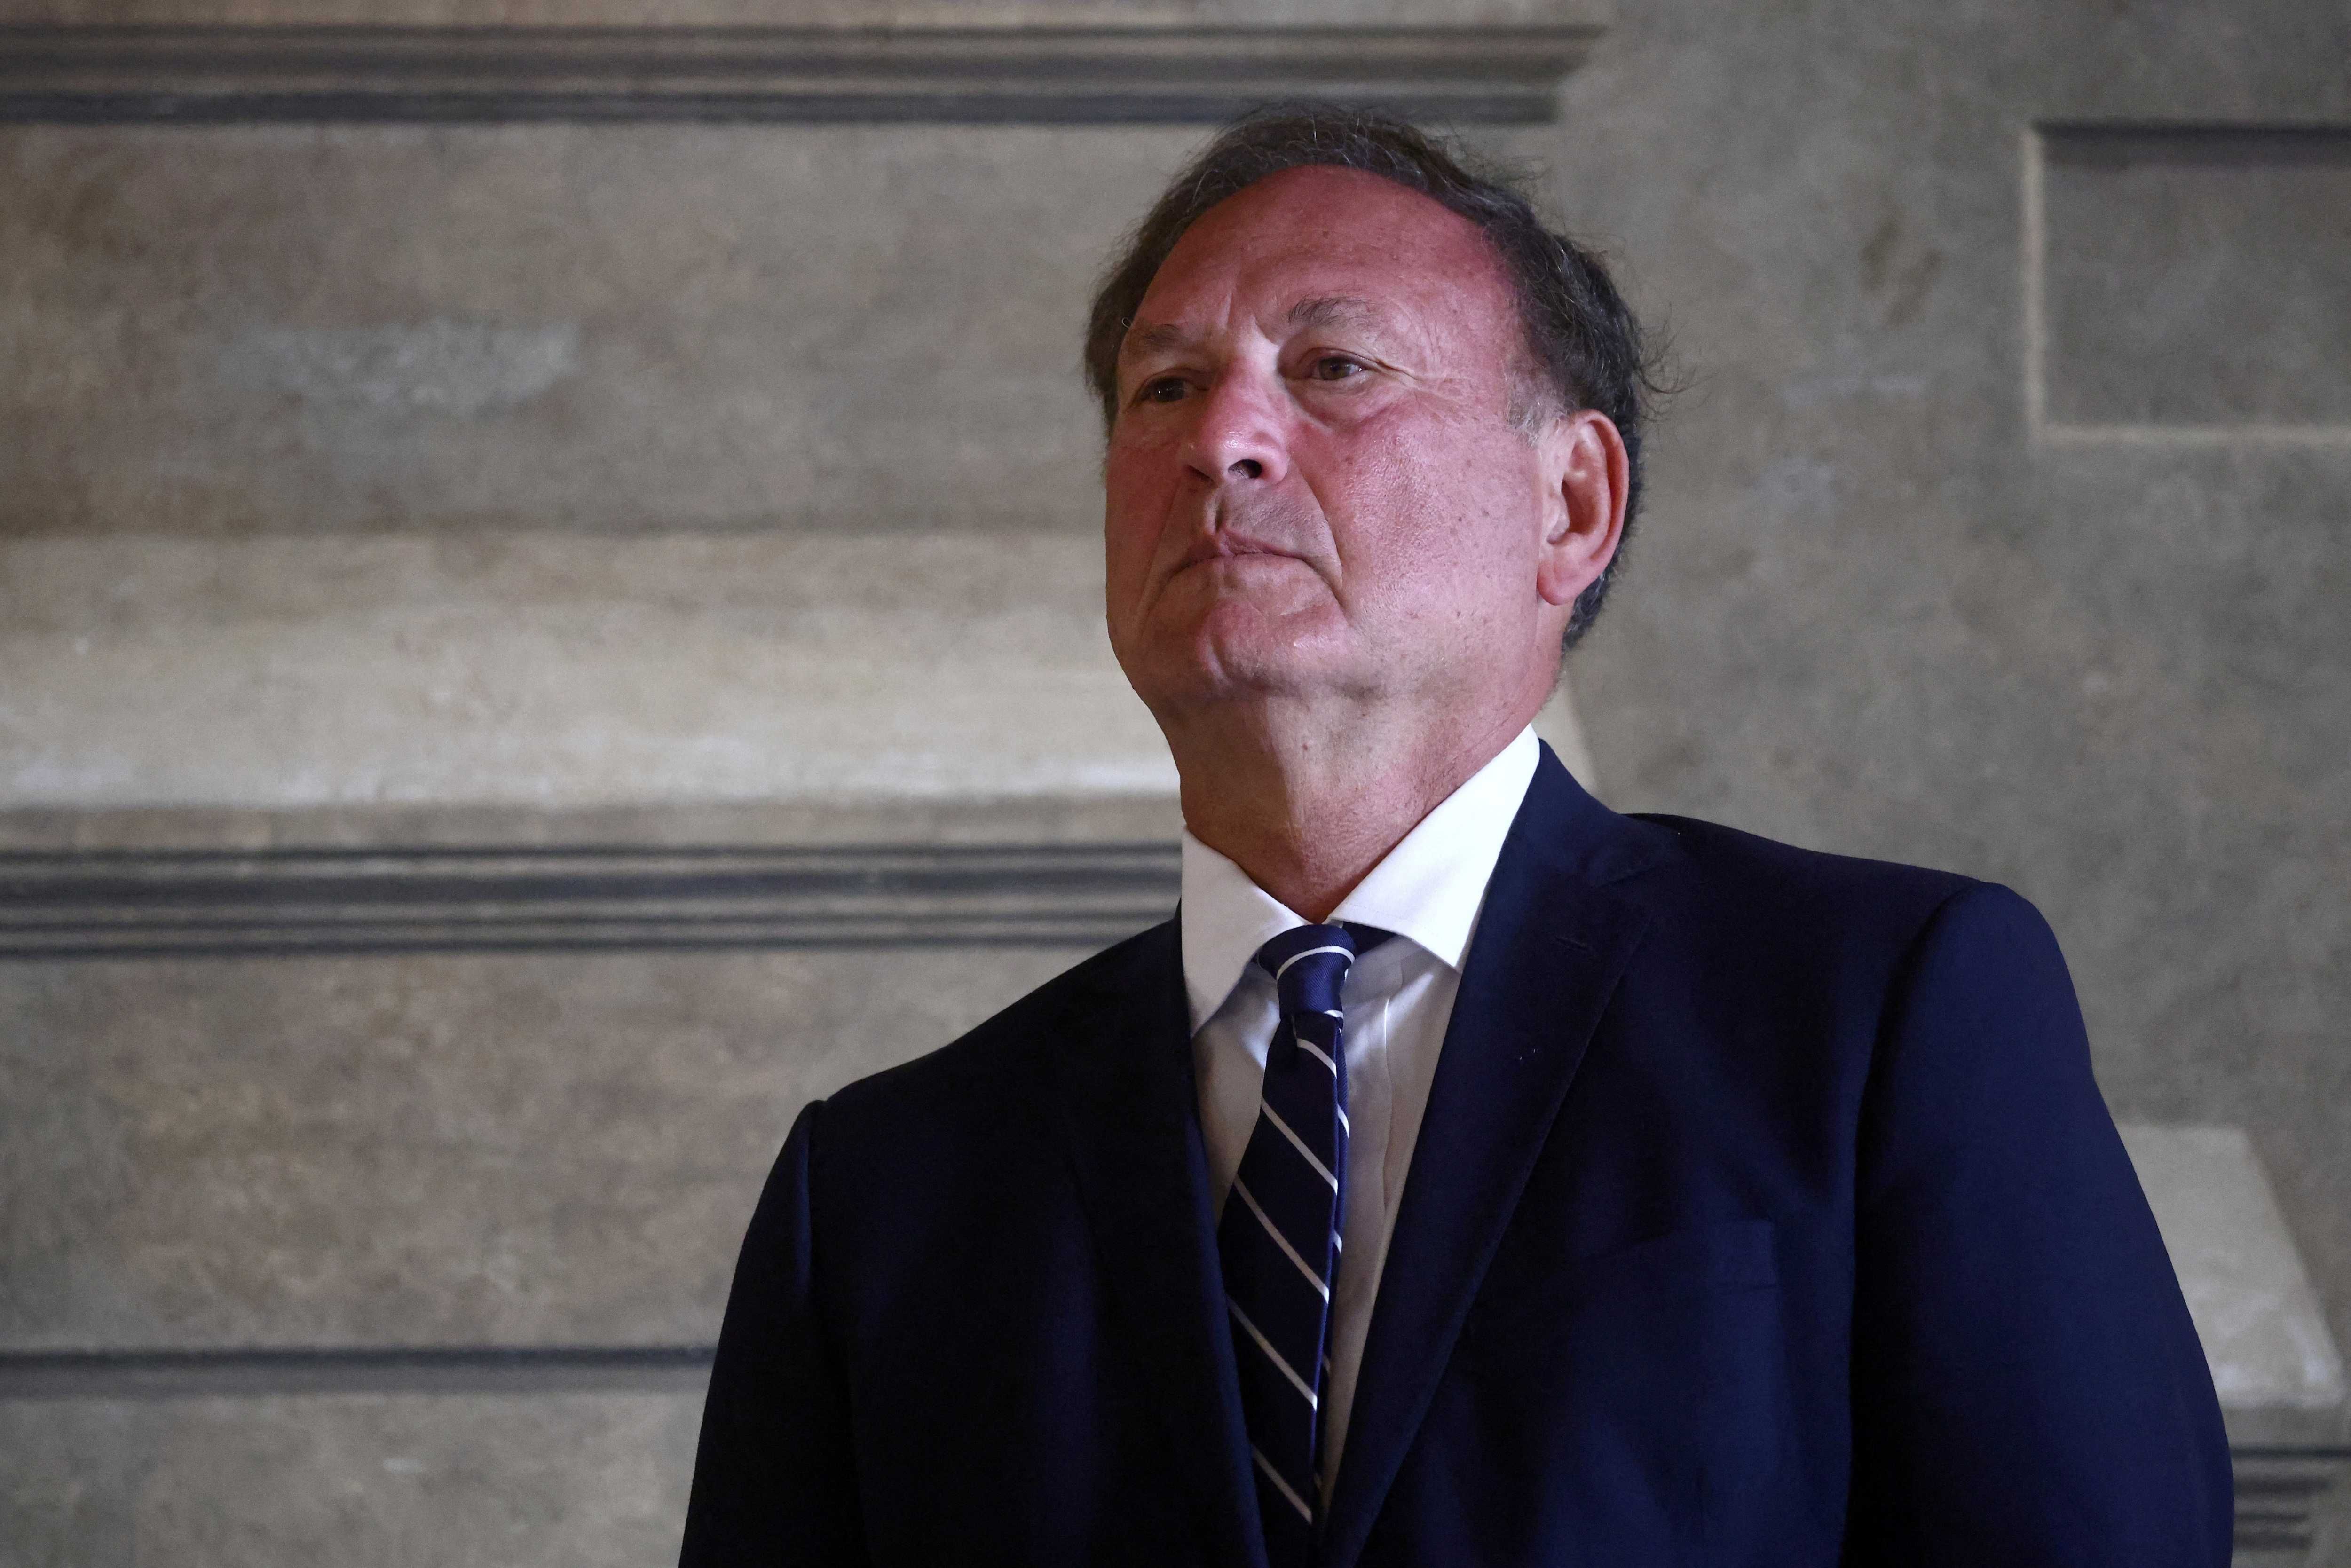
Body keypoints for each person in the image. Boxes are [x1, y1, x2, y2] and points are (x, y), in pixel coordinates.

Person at [678, 108, 2230, 1566]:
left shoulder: (1879, 1016)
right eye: (1165, 388)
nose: (1223, 440)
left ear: (1572, 505)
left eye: (1334, 367)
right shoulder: (883, 1192)